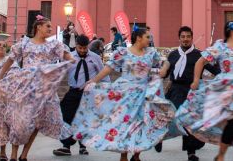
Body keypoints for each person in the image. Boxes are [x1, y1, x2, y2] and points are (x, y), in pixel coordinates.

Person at [72, 28, 174, 161]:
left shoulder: (151, 53)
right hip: (125, 94)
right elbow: (109, 68)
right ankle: (124, 155)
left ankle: (136, 155)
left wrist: (164, 68)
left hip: (144, 94)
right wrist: (94, 80)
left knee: (141, 124)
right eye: (147, 37)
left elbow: (165, 62)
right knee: (124, 124)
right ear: (139, 38)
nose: (150, 40)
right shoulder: (123, 52)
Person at [177, 21, 233, 161]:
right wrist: (196, 80)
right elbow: (201, 61)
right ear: (232, 31)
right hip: (228, 93)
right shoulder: (220, 46)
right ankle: (221, 155)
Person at [0, 15, 74, 161]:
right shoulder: (24, 43)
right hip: (27, 87)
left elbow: (67, 55)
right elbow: (10, 59)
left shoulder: (54, 45)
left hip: (44, 89)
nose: (50, 29)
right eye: (48, 26)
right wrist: (0, 76)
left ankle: (24, 154)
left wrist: (70, 60)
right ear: (39, 27)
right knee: (21, 121)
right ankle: (13, 154)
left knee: (37, 122)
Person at [157, 26, 220, 161]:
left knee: (189, 122)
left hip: (192, 92)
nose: (185, 39)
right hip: (175, 90)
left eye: (188, 37)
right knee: (169, 118)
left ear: (192, 38)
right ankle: (159, 138)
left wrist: (227, 74)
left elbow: (214, 70)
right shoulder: (173, 54)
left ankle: (191, 153)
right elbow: (166, 73)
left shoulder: (200, 55)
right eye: (183, 37)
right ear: (179, 38)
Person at [52, 35, 106, 157]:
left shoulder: (95, 57)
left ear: (88, 46)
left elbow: (104, 74)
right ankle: (66, 146)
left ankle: (83, 146)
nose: (82, 50)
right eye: (80, 48)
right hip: (72, 91)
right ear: (76, 45)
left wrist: (104, 90)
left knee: (85, 119)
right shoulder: (69, 57)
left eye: (84, 48)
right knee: (66, 117)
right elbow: (60, 73)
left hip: (89, 93)